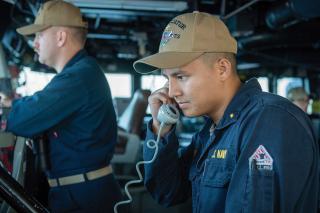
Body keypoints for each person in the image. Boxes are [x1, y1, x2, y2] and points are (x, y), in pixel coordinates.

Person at [133, 11, 319, 212]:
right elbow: (167, 192)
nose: (172, 92)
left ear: (222, 68)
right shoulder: (211, 131)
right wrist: (161, 128)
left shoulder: (269, 121)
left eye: (181, 76)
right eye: (167, 80)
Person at [4, 1, 122, 212]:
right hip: (77, 192)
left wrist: (10, 106)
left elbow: (22, 119)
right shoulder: (81, 73)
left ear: (61, 37)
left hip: (83, 198)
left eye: (39, 35)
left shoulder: (79, 77)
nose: (35, 44)